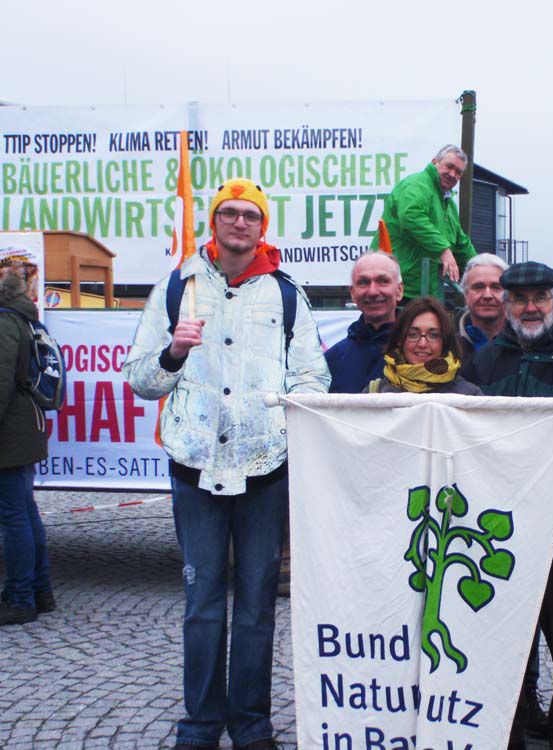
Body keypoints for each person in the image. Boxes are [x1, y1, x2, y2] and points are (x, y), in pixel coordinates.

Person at [124, 178, 331, 750]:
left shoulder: (287, 295)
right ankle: (199, 724)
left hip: (264, 470)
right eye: (229, 214)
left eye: (250, 216)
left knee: (258, 607)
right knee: (203, 604)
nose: (239, 224)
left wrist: (286, 414)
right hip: (195, 468)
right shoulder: (177, 289)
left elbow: (314, 376)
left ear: (263, 227)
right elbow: (140, 376)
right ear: (213, 222)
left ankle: (252, 725)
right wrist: (173, 352)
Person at [462, 261, 553, 750]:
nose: (530, 307)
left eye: (540, 298)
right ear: (506, 305)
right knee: (504, 645)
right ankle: (511, 732)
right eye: (520, 299)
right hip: (496, 533)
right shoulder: (481, 365)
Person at [0, 259, 55, 627]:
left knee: (14, 516)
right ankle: (39, 590)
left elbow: (0, 382)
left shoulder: (5, 323)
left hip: (11, 434)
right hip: (22, 430)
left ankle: (20, 598)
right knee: (24, 511)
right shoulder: (22, 318)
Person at [373, 145, 477, 300]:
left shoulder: (449, 205)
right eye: (449, 166)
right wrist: (443, 250)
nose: (452, 174)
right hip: (394, 290)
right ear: (435, 162)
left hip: (424, 292)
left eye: (458, 172)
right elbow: (410, 216)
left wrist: (481, 268)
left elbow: (461, 244)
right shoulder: (415, 185)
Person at [368, 296, 481, 395]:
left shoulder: (469, 396)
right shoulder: (374, 393)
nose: (422, 344)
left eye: (433, 335)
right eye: (413, 334)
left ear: (445, 341)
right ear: (399, 339)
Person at [326, 251, 405, 393]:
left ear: (399, 290)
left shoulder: (420, 354)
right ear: (353, 294)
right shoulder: (331, 361)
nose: (373, 291)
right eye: (363, 282)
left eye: (383, 281)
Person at [456, 253, 509, 361]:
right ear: (465, 295)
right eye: (478, 287)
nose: (487, 295)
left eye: (496, 287)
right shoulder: (448, 347)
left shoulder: (527, 345)